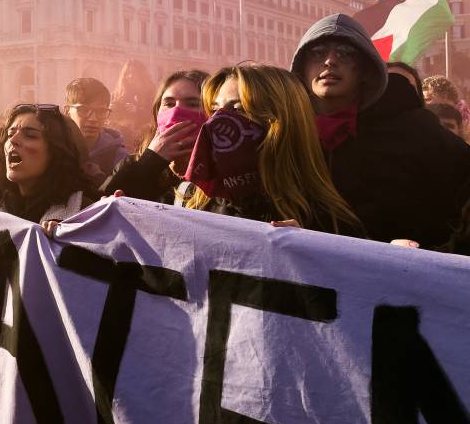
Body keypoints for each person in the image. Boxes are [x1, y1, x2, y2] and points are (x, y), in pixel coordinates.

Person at [292, 13, 470, 250]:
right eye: (318, 52)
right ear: (301, 68)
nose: (330, 61)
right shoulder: (285, 134)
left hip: (402, 282)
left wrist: (441, 253)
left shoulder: (413, 128)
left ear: (365, 70)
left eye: (345, 53)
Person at [182, 65, 363, 236]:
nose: (217, 122)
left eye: (239, 109)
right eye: (214, 110)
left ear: (282, 120)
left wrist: (308, 252)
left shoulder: (330, 221)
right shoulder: (193, 200)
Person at [0, 104, 101, 235]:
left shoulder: (85, 215)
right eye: (10, 134)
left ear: (56, 152)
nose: (13, 140)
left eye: (30, 135)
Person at [102, 70, 208, 202]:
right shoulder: (133, 163)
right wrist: (151, 161)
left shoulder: (223, 171)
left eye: (193, 104)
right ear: (157, 110)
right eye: (169, 104)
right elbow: (101, 204)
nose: (176, 112)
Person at [63, 77, 129, 185]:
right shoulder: (51, 147)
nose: (93, 118)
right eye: (84, 110)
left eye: (101, 111)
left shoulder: (119, 156)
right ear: (67, 111)